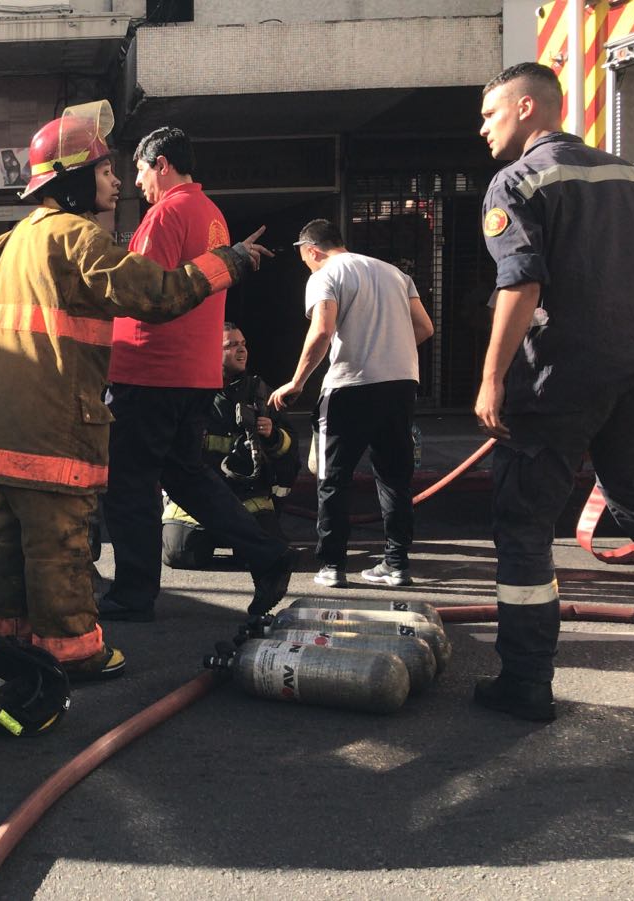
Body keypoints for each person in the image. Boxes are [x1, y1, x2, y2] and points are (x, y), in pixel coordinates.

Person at [0, 100, 269, 680]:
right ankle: (74, 651)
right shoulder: (78, 239)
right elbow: (157, 295)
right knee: (59, 544)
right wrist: (226, 263)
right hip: (56, 427)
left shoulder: (7, 244)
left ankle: (1, 637)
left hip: (0, 432)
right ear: (74, 179)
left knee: (2, 544)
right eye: (105, 170)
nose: (117, 180)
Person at [473, 62, 634, 722]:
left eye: (490, 113)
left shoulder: (517, 180)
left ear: (527, 108)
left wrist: (492, 377)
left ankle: (526, 682)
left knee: (525, 523)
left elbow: (521, 283)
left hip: (562, 374)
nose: (483, 128)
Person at [99, 127, 297, 624]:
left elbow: (144, 292)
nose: (136, 182)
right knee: (186, 476)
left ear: (161, 164)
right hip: (194, 373)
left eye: (140, 170)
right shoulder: (212, 215)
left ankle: (133, 594)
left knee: (130, 486)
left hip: (149, 369)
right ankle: (268, 555)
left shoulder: (165, 214)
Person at [269, 219, 434, 588]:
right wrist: (388, 349)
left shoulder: (325, 275)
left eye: (304, 258)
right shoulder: (394, 274)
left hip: (350, 386)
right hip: (400, 384)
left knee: (333, 478)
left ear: (312, 250)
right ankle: (396, 564)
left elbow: (322, 331)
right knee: (394, 477)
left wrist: (297, 382)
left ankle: (332, 565)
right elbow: (425, 327)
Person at [162, 324, 301, 569]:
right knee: (180, 554)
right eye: (231, 345)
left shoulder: (260, 393)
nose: (242, 350)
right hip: (196, 497)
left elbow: (290, 452)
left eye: (243, 344)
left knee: (263, 555)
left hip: (247, 497)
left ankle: (243, 543)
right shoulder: (189, 393)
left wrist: (272, 436)